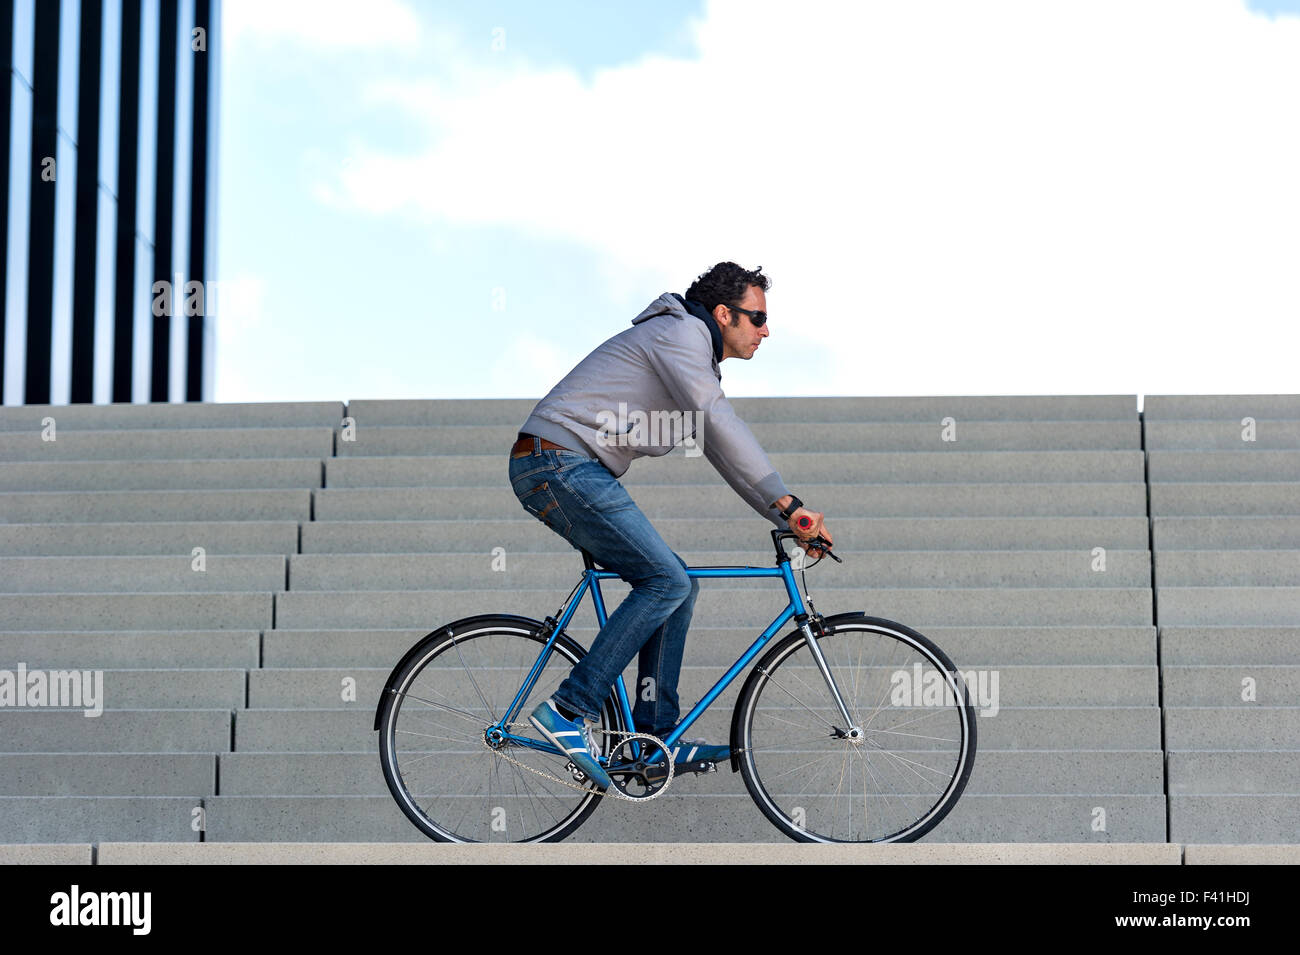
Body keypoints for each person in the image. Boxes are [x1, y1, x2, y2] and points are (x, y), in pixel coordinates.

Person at [507, 262, 832, 789]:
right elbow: (720, 421)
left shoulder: (691, 353)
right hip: (558, 464)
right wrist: (787, 499)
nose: (766, 330)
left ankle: (656, 738)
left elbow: (720, 449)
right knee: (667, 580)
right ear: (723, 314)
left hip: (568, 465)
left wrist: (784, 512)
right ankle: (569, 711)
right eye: (757, 318)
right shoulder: (682, 334)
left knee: (677, 586)